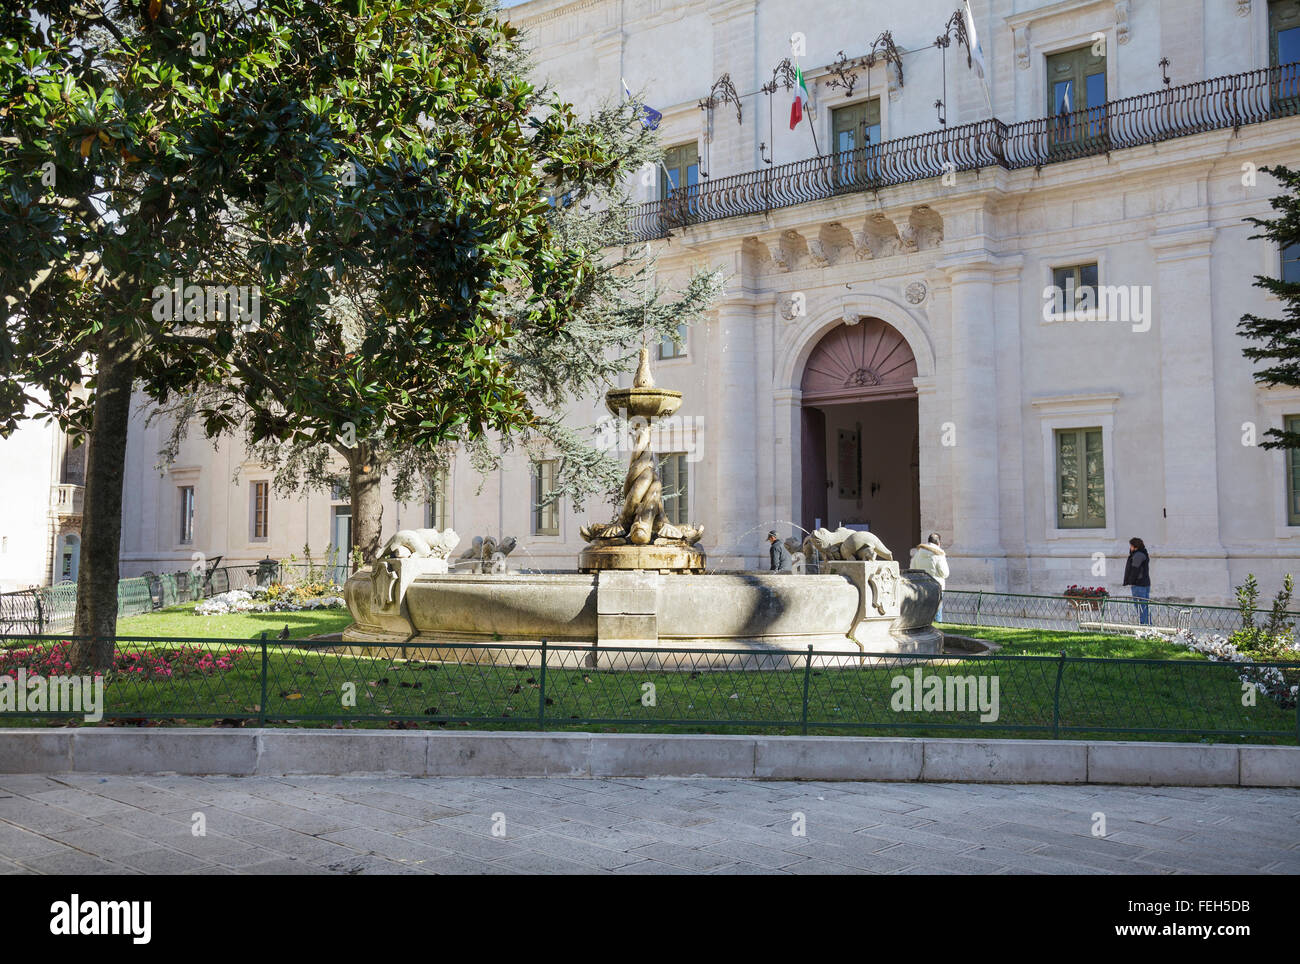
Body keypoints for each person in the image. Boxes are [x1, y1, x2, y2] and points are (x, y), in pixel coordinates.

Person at [909, 532, 950, 622]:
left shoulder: (918, 553)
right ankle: (937, 627)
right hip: (936, 586)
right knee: (937, 610)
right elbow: (945, 573)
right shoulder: (939, 554)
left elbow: (912, 569)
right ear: (938, 543)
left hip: (921, 586)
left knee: (923, 610)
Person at [1123, 537, 1151, 625]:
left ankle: (1145, 624)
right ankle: (1147, 624)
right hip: (1144, 583)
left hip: (1139, 584)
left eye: (1131, 546)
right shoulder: (1142, 553)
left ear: (1135, 546)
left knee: (1140, 606)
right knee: (1144, 606)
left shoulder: (1138, 555)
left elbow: (1135, 570)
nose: (1130, 548)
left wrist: (1131, 581)